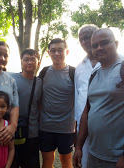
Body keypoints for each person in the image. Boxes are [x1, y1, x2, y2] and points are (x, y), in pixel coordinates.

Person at [73, 28, 124, 168]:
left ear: (117, 44)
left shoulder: (122, 68)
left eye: (105, 43)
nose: (99, 48)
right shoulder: (94, 74)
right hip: (94, 154)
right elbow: (87, 112)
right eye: (95, 45)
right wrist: (78, 147)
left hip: (117, 158)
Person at [39, 38, 75, 168]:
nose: (56, 54)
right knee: (47, 161)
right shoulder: (44, 72)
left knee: (66, 161)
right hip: (46, 126)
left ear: (67, 51)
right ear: (49, 53)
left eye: (60, 50)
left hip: (66, 127)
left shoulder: (73, 72)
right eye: (53, 50)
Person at [9, 48, 41, 168]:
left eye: (33, 60)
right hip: (12, 130)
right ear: (21, 62)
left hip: (31, 132)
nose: (29, 62)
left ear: (38, 63)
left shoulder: (40, 82)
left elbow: (40, 105)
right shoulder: (11, 78)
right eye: (26, 59)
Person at [74, 24, 100, 168]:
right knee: (84, 162)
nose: (85, 41)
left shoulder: (119, 62)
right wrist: (76, 126)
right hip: (83, 128)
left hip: (106, 126)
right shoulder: (80, 67)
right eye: (82, 38)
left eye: (89, 36)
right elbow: (78, 97)